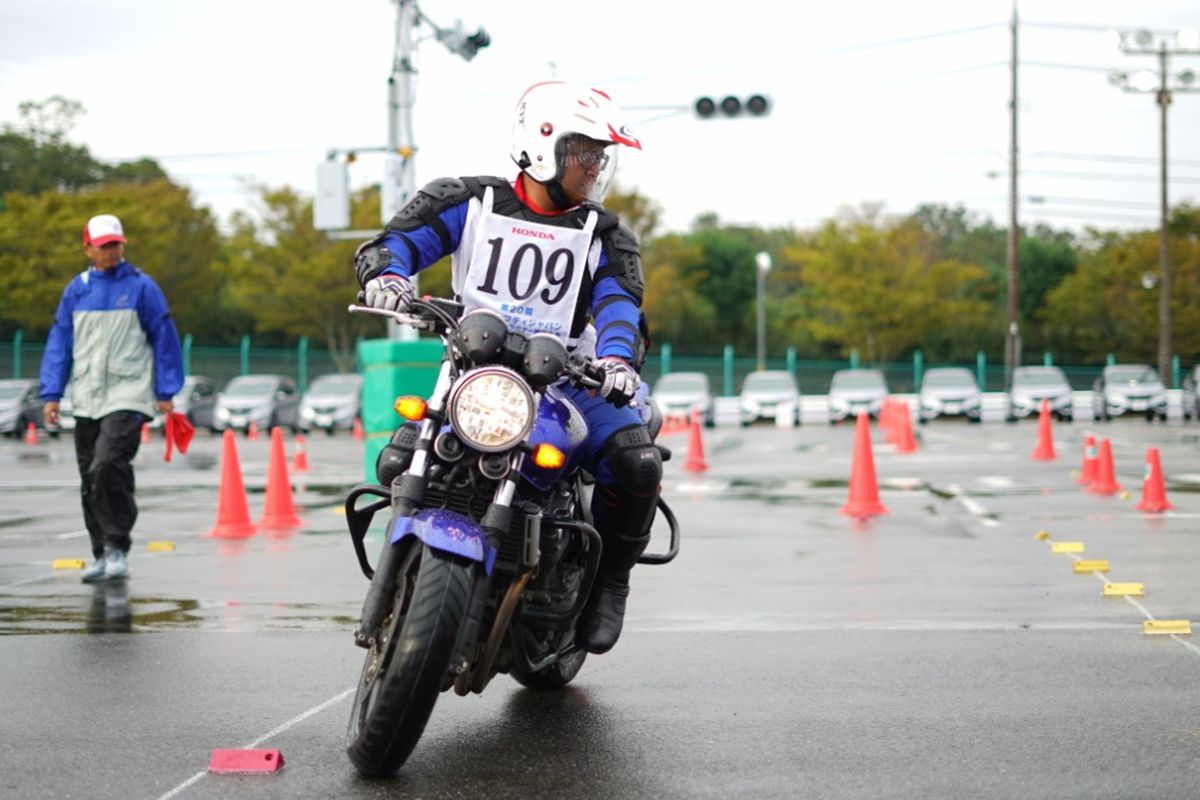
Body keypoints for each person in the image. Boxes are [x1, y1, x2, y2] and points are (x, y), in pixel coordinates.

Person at [354, 81, 661, 655]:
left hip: (569, 380)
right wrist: (388, 276)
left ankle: (609, 584)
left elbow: (619, 303)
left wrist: (617, 358)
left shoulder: (607, 235)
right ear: (542, 144)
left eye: (600, 155)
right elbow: (395, 241)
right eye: (583, 151)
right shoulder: (468, 202)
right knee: (399, 456)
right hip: (476, 371)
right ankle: (405, 579)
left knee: (636, 462)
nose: (593, 166)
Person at [40, 214, 184, 583]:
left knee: (107, 465)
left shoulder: (142, 288)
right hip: (86, 396)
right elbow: (60, 343)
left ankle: (118, 547)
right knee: (89, 476)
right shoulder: (77, 289)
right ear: (88, 247)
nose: (111, 251)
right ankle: (101, 552)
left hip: (128, 394)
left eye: (115, 244)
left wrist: (165, 391)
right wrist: (52, 393)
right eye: (104, 246)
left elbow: (164, 338)